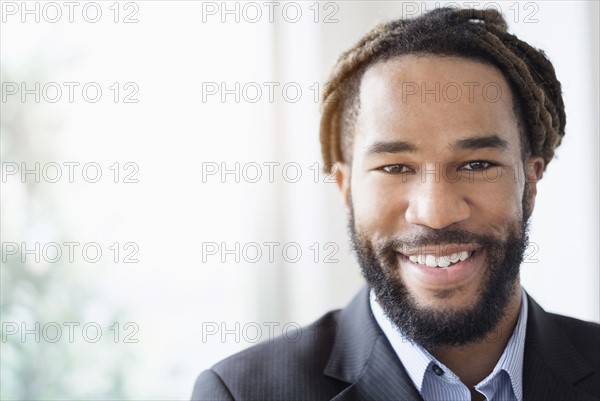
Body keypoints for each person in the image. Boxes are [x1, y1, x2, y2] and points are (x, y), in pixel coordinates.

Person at [192, 8, 599, 401]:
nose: (436, 213)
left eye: (477, 164)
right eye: (395, 167)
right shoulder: (242, 393)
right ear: (346, 188)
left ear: (530, 179)